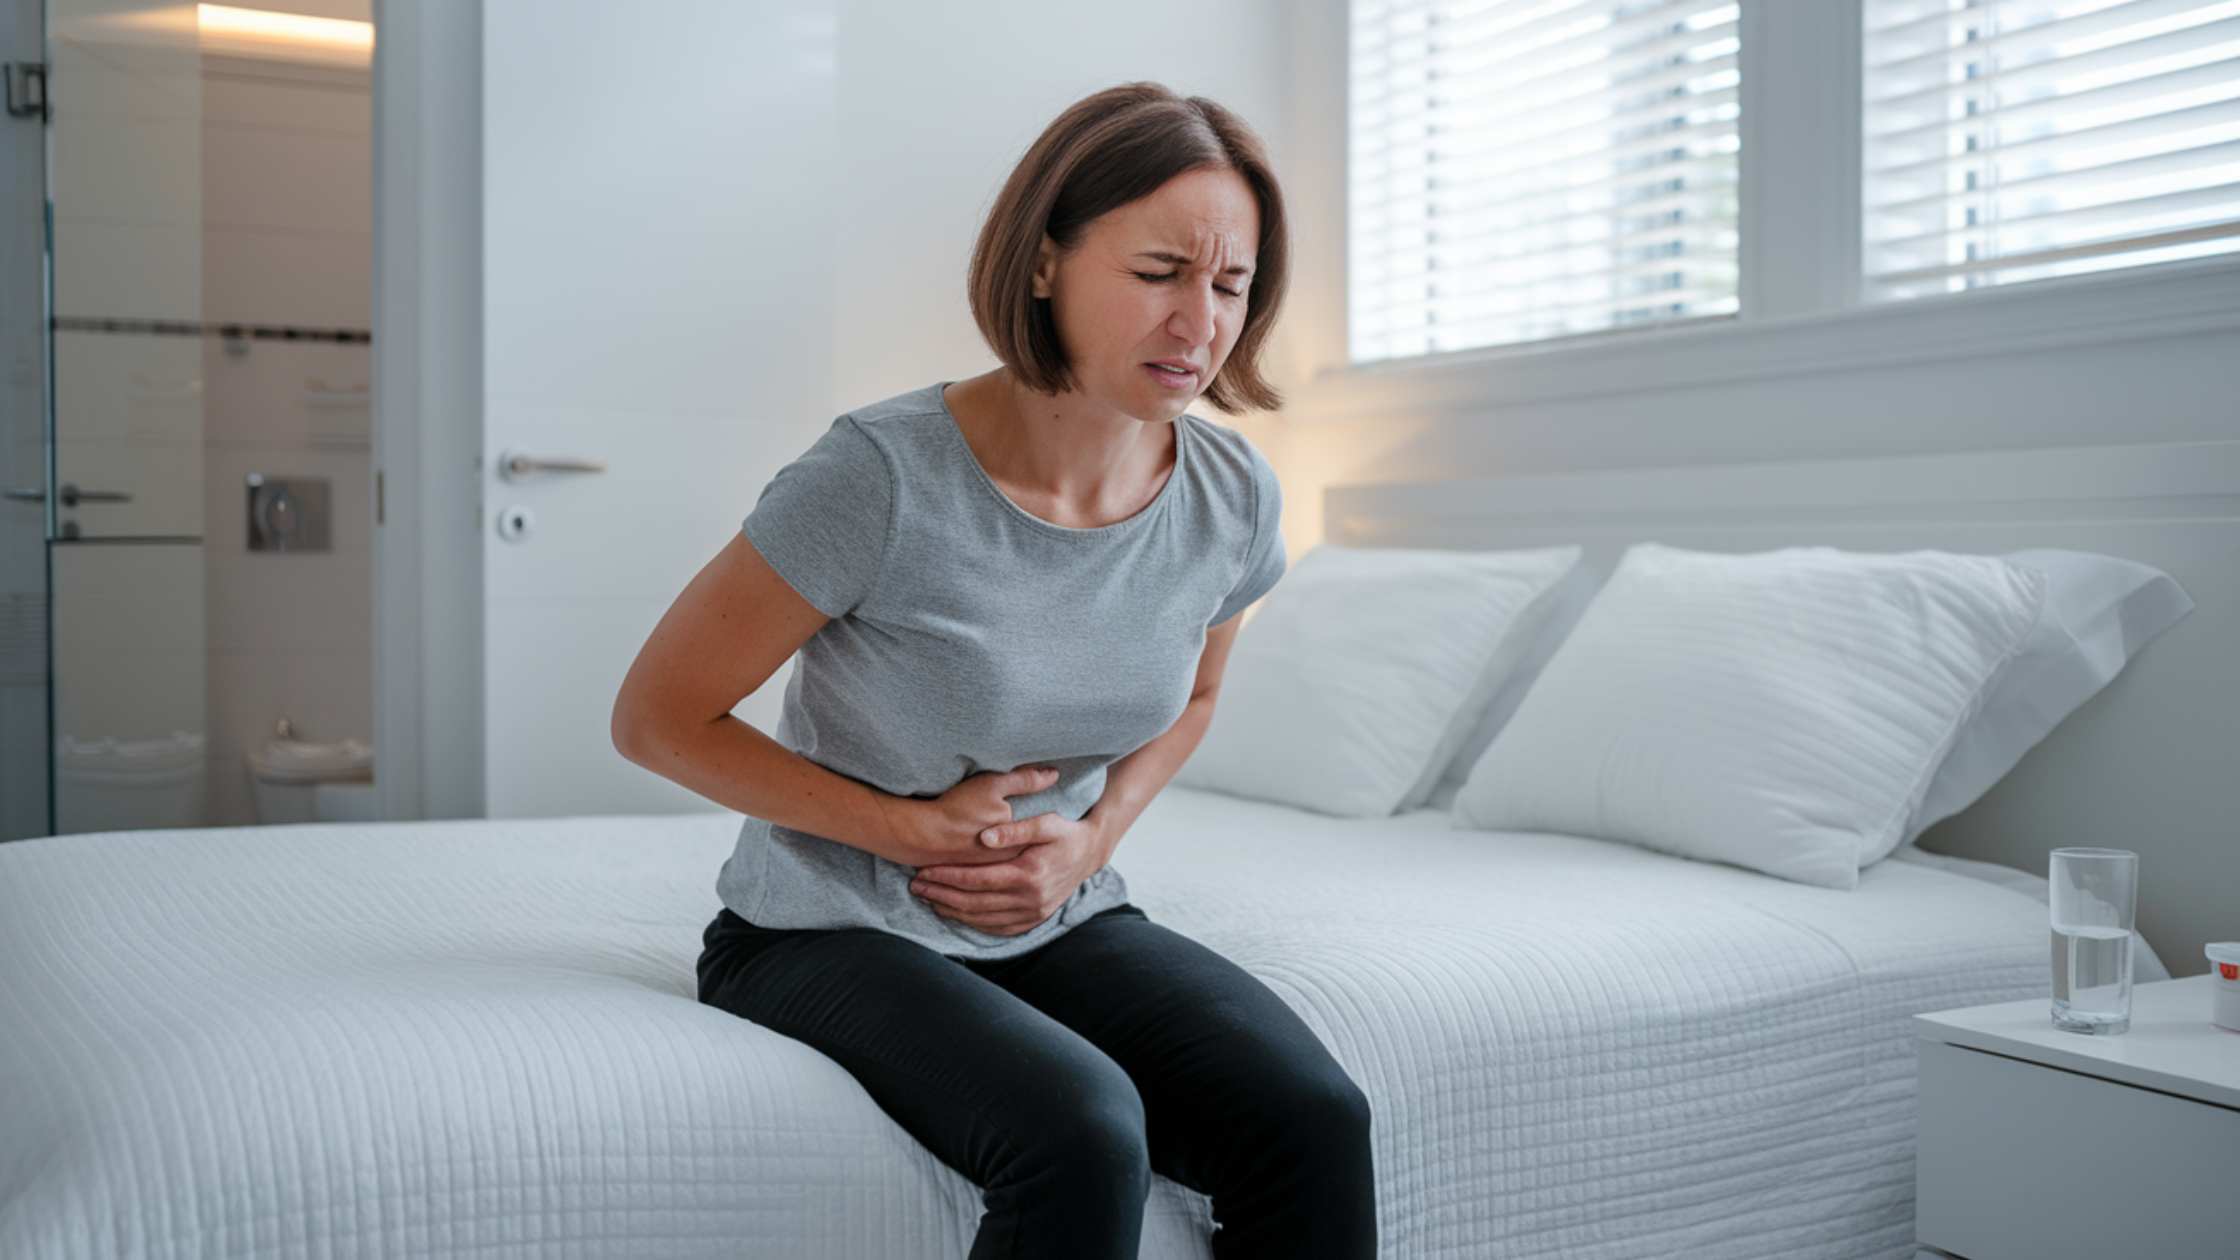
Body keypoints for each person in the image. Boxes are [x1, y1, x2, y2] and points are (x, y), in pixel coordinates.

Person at [610, 81, 1376, 1259]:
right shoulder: (880, 473)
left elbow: (1198, 696)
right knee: (1080, 1127)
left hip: (1055, 912)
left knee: (1312, 1118)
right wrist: (908, 835)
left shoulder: (1231, 496)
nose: (1198, 325)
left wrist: (1091, 841)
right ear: (1042, 264)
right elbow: (658, 718)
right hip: (819, 929)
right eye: (1159, 271)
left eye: (1228, 286)